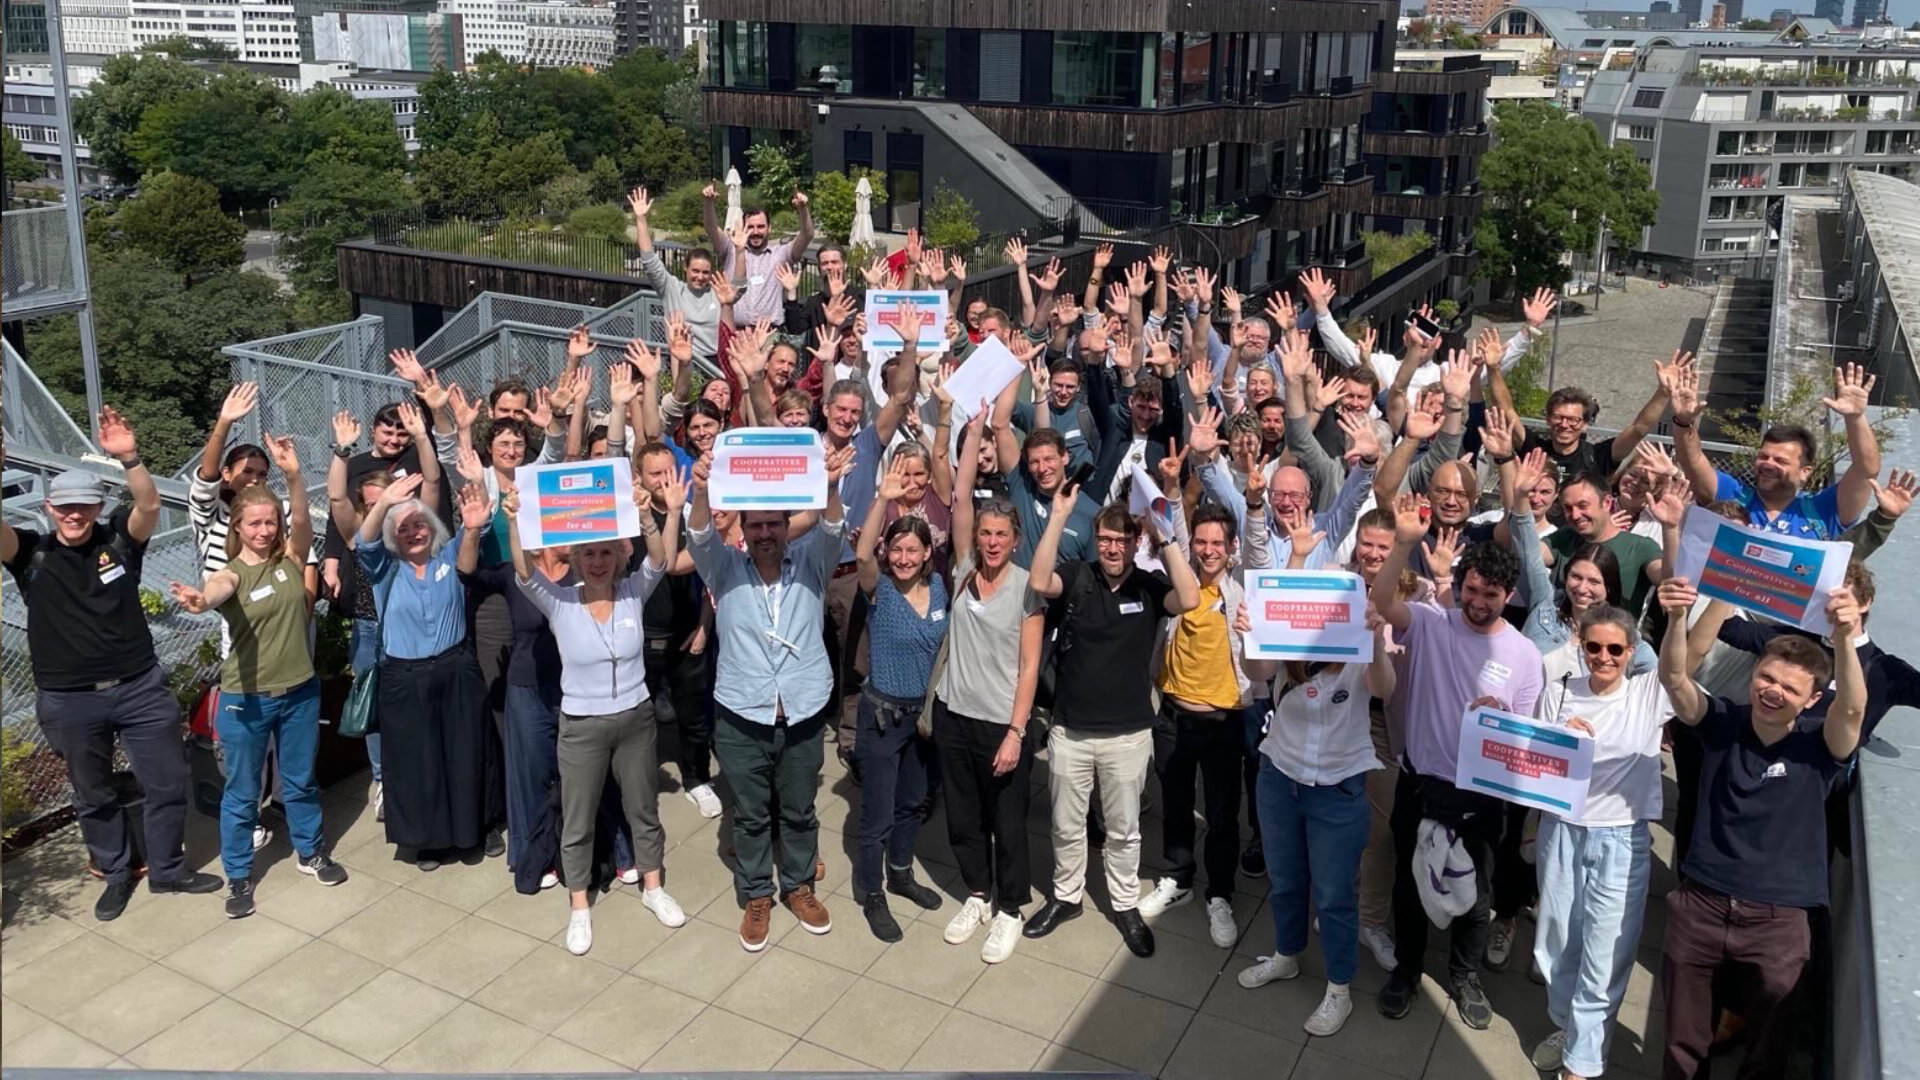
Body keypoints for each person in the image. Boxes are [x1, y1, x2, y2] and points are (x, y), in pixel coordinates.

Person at [3, 414, 224, 921]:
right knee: (93, 792)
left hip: (140, 687)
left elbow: (148, 503)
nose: (74, 514)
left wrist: (129, 457)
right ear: (48, 508)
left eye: (84, 505)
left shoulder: (119, 542)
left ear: (98, 507)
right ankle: (116, 872)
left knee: (168, 781)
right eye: (65, 507)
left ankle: (168, 869)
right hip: (69, 698)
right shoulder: (30, 554)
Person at [1654, 576, 1865, 1080]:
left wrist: (1845, 638)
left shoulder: (1821, 748)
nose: (1773, 691)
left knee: (1770, 1046)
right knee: (1683, 1041)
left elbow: (1853, 708)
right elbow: (1677, 680)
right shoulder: (1722, 721)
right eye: (1767, 678)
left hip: (1780, 921)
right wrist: (1687, 613)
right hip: (1701, 904)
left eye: (1791, 688)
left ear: (1812, 699)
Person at [1370, 497, 1545, 1029]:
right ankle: (1406, 969)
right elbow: (1382, 597)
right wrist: (1403, 542)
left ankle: (1465, 975)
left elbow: (1525, 740)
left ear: (1507, 596)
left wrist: (1501, 717)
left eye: (1490, 595)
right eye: (1470, 591)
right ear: (1460, 585)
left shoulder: (1524, 655)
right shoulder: (1428, 623)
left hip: (1480, 797)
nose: (1477, 602)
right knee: (1408, 883)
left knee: (1477, 895)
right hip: (1420, 784)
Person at [501, 477, 691, 953]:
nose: (599, 561)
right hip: (582, 726)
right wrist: (514, 519)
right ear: (578, 560)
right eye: (590, 554)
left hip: (634, 719)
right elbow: (524, 573)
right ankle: (580, 905)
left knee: (642, 809)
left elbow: (660, 560)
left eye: (607, 553)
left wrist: (647, 516)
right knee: (579, 817)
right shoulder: (560, 602)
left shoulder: (633, 593)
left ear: (617, 557)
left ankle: (653, 887)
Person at [686, 440, 857, 953]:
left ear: (787, 527)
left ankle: (799, 887)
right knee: (752, 813)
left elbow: (832, 527)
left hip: (802, 710)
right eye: (755, 525)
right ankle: (757, 892)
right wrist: (699, 491)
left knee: (801, 809)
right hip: (742, 713)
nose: (764, 534)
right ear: (742, 528)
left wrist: (828, 485)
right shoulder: (723, 568)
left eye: (773, 524)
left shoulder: (811, 563)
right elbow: (697, 536)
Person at [169, 435, 348, 919]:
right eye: (255, 524)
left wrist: (292, 476)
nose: (265, 530)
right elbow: (215, 590)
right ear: (239, 527)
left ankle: (311, 853)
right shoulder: (232, 572)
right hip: (245, 700)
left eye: (271, 522)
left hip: (300, 694)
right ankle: (240, 876)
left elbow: (305, 524)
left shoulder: (291, 560)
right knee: (242, 792)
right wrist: (200, 601)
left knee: (300, 780)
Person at [1024, 491, 1202, 959]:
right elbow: (1040, 579)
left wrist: (1165, 539)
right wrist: (1060, 515)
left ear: (1134, 541)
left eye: (1122, 540)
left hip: (1127, 735)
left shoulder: (1147, 585)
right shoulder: (1078, 577)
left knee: (1123, 830)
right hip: (1071, 731)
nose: (1112, 548)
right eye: (1105, 539)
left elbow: (1189, 597)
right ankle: (1066, 897)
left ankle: (1124, 905)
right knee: (1066, 825)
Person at [1525, 604, 1673, 1080]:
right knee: (1556, 941)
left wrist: (1688, 606)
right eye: (1594, 647)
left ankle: (1582, 1064)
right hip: (1561, 830)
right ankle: (1568, 1027)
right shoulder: (1559, 690)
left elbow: (1688, 657)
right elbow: (1532, 763)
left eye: (1615, 649)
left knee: (1607, 949)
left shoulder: (1649, 694)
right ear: (1582, 647)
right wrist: (1558, 739)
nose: (1603, 657)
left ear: (1631, 652)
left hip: (1620, 838)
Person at [1237, 608, 1399, 1038]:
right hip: (1279, 777)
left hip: (1338, 787)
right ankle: (1287, 955)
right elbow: (1256, 670)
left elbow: (1384, 689)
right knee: (1286, 880)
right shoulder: (1290, 646)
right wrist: (1250, 634)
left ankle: (1339, 988)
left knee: (1334, 897)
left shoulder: (1359, 645)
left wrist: (1377, 644)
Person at [1138, 442, 1270, 947]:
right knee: (1172, 800)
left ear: (1231, 547)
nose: (1209, 549)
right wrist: (1172, 490)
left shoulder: (1242, 588)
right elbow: (1169, 531)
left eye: (1219, 543)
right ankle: (1177, 878)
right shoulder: (1182, 580)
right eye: (1202, 542)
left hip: (1223, 719)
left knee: (1220, 814)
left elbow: (1258, 551)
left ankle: (1219, 893)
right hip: (1173, 714)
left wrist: (1254, 505)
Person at [935, 414, 1048, 964]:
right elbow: (958, 499)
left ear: (1016, 539)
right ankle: (977, 893)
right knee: (963, 816)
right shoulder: (961, 571)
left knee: (1008, 821)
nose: (992, 542)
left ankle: (1009, 907)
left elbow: (1029, 668)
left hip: (1002, 723)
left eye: (1002, 535)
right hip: (955, 716)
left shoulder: (1028, 590)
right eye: (985, 534)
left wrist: (1015, 732)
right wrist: (972, 429)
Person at [355, 473, 490, 871]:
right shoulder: (385, 569)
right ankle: (427, 842)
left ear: (432, 528)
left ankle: (472, 832)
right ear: (394, 536)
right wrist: (385, 503)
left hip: (454, 669)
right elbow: (364, 541)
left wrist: (473, 527)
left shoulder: (446, 558)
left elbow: (468, 562)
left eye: (420, 524)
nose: (414, 533)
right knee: (419, 762)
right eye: (404, 528)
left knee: (464, 752)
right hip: (405, 677)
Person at [849, 458, 949, 942]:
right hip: (883, 716)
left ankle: (902, 872)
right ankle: (872, 891)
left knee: (913, 803)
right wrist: (883, 498)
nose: (905, 557)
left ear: (929, 552)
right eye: (899, 549)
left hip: (924, 720)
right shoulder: (880, 590)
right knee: (878, 812)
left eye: (914, 550)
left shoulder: (942, 589)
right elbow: (864, 551)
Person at [1672, 361, 1880, 539]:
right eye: (1763, 456)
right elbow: (1693, 460)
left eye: (1780, 461)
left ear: (1805, 472)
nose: (1768, 464)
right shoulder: (1733, 496)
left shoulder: (1823, 510)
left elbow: (1866, 470)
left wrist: (1855, 418)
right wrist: (1683, 422)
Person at [704, 183, 814, 328]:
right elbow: (711, 228)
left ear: (769, 228)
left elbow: (807, 235)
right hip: (736, 331)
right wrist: (708, 203)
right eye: (750, 227)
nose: (755, 232)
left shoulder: (781, 254)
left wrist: (803, 210)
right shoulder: (731, 250)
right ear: (743, 227)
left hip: (769, 333)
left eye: (761, 227)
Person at [630, 186, 720, 359]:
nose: (700, 277)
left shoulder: (717, 293)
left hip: (712, 362)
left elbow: (740, 286)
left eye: (705, 272)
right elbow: (650, 260)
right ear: (685, 268)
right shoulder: (672, 288)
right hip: (679, 357)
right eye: (695, 271)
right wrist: (641, 219)